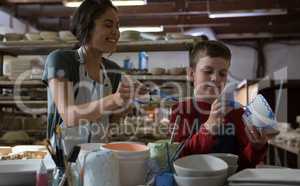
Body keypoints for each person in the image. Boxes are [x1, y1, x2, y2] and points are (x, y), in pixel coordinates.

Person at [42, 0, 145, 142]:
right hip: (63, 159)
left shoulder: (113, 70)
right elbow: (69, 115)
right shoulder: (61, 60)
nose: (115, 32)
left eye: (117, 26)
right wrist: (113, 100)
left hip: (100, 156)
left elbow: (110, 124)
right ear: (87, 27)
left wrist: (126, 104)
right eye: (108, 25)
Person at [169, 40, 273, 170]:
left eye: (222, 74)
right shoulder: (181, 110)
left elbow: (245, 164)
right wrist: (208, 128)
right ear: (191, 74)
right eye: (208, 71)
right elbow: (176, 159)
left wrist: (257, 147)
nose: (215, 78)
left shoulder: (237, 113)